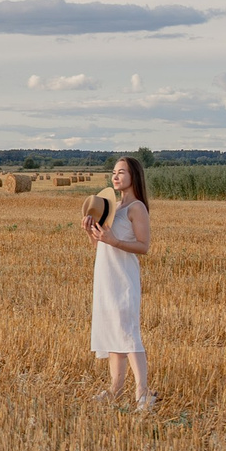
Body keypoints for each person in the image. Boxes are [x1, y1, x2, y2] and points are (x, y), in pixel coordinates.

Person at [86, 156, 154, 409]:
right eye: (114, 172)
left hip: (124, 277)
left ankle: (143, 391)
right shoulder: (111, 207)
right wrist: (90, 232)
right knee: (114, 330)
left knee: (127, 332)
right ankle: (115, 388)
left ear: (134, 176)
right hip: (106, 275)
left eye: (121, 172)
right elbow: (100, 244)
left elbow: (144, 246)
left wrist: (114, 241)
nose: (115, 176)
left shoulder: (137, 208)